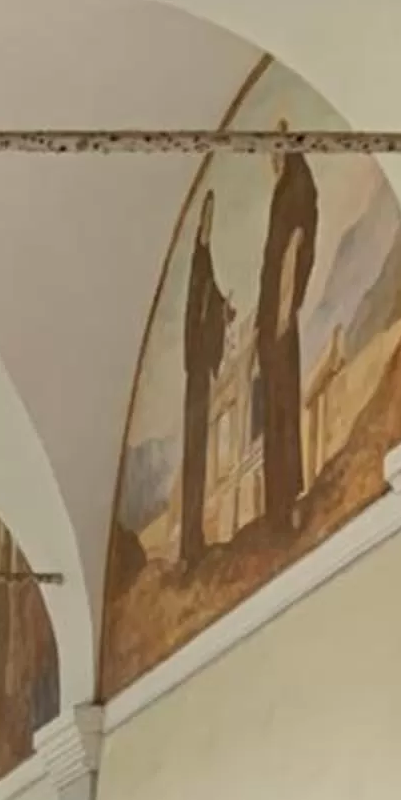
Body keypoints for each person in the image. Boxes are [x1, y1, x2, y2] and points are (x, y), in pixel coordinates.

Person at [258, 133, 319, 532]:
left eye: (275, 154)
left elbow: (297, 246)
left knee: (283, 405)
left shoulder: (295, 190)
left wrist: (282, 309)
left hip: (281, 319)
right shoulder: (283, 193)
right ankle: (276, 503)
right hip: (272, 321)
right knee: (273, 410)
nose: (272, 162)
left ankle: (288, 496)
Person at [180, 191, 232, 567]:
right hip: (196, 374)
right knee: (195, 455)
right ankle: (189, 544)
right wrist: (218, 316)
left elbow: (209, 306)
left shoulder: (206, 265)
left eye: (214, 218)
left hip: (200, 370)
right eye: (208, 219)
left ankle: (194, 542)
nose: (211, 226)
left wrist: (223, 312)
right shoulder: (199, 265)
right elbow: (199, 317)